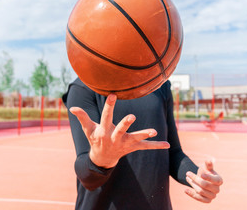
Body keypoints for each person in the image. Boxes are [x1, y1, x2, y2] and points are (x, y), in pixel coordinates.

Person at [63, 78, 223, 210]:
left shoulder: (160, 84)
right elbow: (87, 177)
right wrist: (100, 160)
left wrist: (199, 177)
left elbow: (172, 151)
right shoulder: (84, 87)